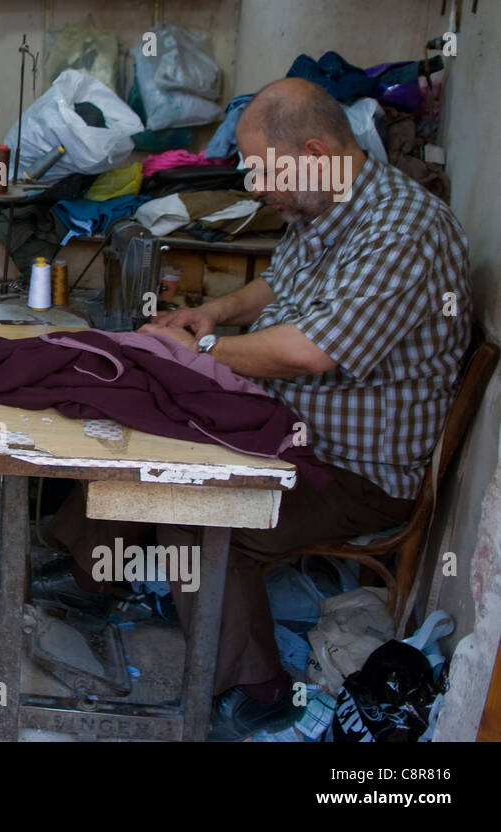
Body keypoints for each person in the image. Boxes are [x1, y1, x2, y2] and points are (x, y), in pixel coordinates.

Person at [39, 77, 472, 739]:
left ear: (316, 150)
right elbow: (276, 285)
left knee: (189, 499)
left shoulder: (404, 231)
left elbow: (310, 353)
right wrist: (210, 312)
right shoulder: (325, 206)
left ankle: (258, 684)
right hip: (292, 429)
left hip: (355, 474)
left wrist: (198, 351)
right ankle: (90, 574)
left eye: (264, 170)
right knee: (144, 423)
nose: (254, 186)